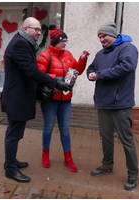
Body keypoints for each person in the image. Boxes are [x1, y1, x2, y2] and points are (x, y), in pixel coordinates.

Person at [1, 17, 72, 183]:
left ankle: (10, 161)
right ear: (25, 29)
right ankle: (10, 169)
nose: (39, 33)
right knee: (14, 134)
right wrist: (56, 82)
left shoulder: (23, 42)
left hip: (18, 97)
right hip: (17, 98)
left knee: (14, 132)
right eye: (36, 29)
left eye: (40, 30)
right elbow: (31, 71)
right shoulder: (20, 44)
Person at [86, 22, 139, 190]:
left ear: (113, 35)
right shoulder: (100, 54)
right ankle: (107, 165)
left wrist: (100, 75)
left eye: (104, 36)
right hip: (103, 103)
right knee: (106, 137)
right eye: (99, 37)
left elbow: (128, 66)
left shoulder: (127, 48)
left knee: (126, 140)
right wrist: (90, 74)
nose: (101, 40)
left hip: (120, 104)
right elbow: (91, 67)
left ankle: (133, 173)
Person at [37, 25, 90, 172]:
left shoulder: (68, 55)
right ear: (55, 41)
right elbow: (38, 75)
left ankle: (68, 158)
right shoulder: (45, 56)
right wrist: (57, 79)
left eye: (66, 40)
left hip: (66, 100)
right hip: (50, 100)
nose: (65, 43)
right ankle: (45, 155)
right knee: (48, 128)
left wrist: (82, 59)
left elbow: (77, 71)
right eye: (62, 40)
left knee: (65, 129)